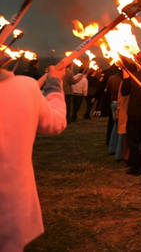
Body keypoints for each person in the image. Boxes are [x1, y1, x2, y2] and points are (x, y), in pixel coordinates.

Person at [0, 63, 66, 250]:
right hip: (11, 214)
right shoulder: (26, 87)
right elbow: (55, 122)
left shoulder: (25, 87)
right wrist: (54, 84)